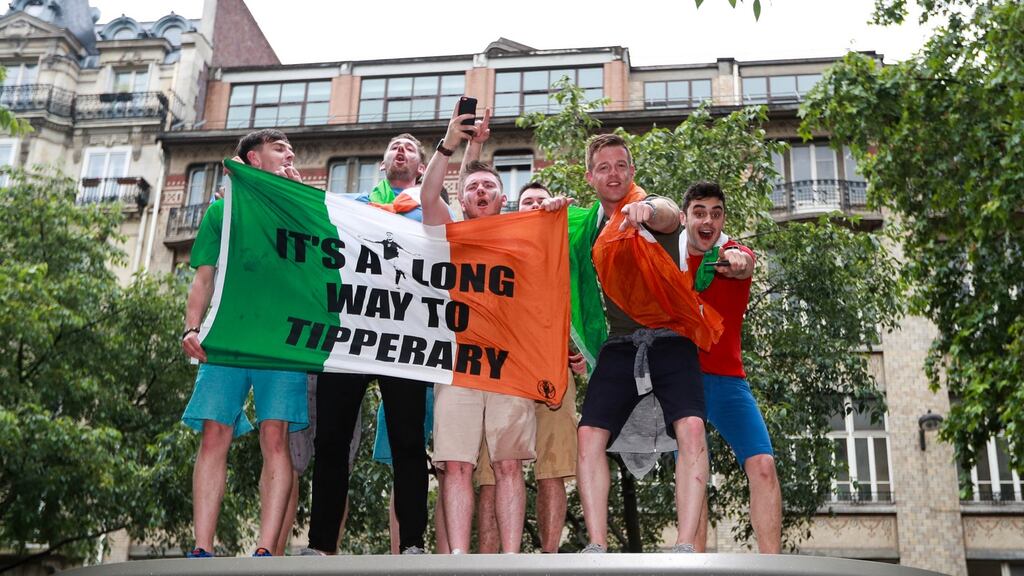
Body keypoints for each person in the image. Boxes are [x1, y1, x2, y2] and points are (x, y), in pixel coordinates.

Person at [420, 103, 571, 554]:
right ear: (462, 200)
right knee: (457, 465)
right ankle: (460, 557)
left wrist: (555, 209)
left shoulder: (522, 232)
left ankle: (509, 557)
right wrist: (452, 143)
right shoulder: (449, 230)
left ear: (503, 198)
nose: (482, 192)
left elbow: (550, 289)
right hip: (458, 365)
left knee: (508, 465)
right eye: (474, 187)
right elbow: (428, 198)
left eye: (490, 186)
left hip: (509, 366)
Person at [575, 133, 709, 554]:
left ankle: (685, 543)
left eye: (621, 166)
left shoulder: (649, 206)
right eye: (604, 167)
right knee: (588, 435)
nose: (613, 174)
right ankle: (596, 544)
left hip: (671, 337)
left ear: (631, 172)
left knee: (691, 427)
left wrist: (646, 209)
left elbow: (670, 215)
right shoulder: (589, 226)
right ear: (590, 178)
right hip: (619, 343)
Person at [180, 129, 309, 558]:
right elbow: (202, 276)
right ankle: (202, 547)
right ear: (253, 159)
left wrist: (297, 201)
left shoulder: (304, 206)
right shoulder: (221, 211)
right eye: (279, 148)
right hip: (229, 337)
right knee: (214, 435)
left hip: (282, 341)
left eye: (290, 150)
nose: (289, 154)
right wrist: (190, 328)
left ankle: (267, 549)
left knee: (277, 438)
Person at [304, 133, 433, 556]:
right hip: (350, 336)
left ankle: (412, 543)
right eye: (394, 146)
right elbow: (305, 223)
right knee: (331, 441)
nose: (400, 150)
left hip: (406, 338)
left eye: (410, 149)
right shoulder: (351, 208)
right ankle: (321, 545)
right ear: (382, 164)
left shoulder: (429, 210)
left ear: (420, 169)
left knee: (409, 443)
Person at [474, 182, 587, 554]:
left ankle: (549, 558)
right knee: (492, 474)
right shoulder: (500, 241)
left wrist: (581, 350)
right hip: (503, 371)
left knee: (553, 470)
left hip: (553, 368)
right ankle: (489, 564)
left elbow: (583, 300)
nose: (536, 206)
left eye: (542, 201)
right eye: (527, 202)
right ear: (513, 209)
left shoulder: (564, 242)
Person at [679, 181, 781, 554]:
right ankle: (695, 562)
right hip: (683, 382)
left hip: (728, 381)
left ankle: (773, 564)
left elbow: (743, 263)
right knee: (694, 476)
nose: (708, 220)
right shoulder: (670, 258)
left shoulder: (732, 253)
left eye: (716, 214)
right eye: (700, 212)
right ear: (685, 217)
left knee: (764, 465)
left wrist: (739, 259)